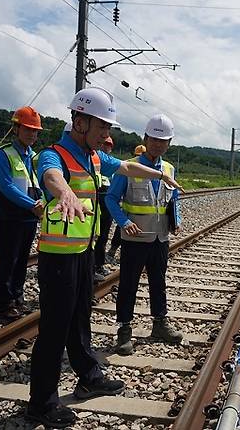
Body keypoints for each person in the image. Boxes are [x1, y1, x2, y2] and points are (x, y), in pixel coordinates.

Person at [26, 87, 184, 428]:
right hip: (58, 258)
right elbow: (51, 176)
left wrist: (159, 174)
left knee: (80, 318)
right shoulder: (55, 155)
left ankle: (88, 375)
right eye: (102, 128)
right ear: (80, 122)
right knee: (54, 329)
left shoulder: (94, 157)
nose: (106, 135)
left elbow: (125, 166)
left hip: (82, 254)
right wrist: (65, 192)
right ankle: (41, 402)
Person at [105, 114, 183, 355]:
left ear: (169, 142)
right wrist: (123, 221)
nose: (159, 144)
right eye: (154, 139)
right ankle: (124, 331)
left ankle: (159, 324)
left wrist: (175, 220)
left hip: (160, 238)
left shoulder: (169, 168)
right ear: (145, 138)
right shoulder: (128, 167)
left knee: (159, 283)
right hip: (135, 238)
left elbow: (173, 198)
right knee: (129, 284)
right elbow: (110, 198)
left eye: (164, 140)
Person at [0, 106, 44, 321]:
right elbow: (7, 187)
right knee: (8, 259)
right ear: (16, 128)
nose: (32, 134)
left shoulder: (35, 157)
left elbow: (40, 182)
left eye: (35, 130)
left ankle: (18, 296)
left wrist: (42, 201)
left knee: (22, 259)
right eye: (27, 129)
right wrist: (32, 204)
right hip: (10, 216)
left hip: (29, 216)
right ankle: (5, 303)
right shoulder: (2, 154)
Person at [104, 144, 145, 264]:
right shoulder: (126, 168)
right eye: (138, 156)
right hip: (128, 209)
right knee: (120, 229)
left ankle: (116, 251)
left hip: (143, 213)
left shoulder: (147, 170)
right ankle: (113, 250)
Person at [93, 136, 114, 282]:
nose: (106, 147)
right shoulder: (94, 160)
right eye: (104, 144)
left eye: (109, 145)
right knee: (95, 237)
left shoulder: (110, 165)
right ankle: (93, 266)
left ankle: (99, 264)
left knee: (104, 236)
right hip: (95, 204)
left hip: (107, 206)